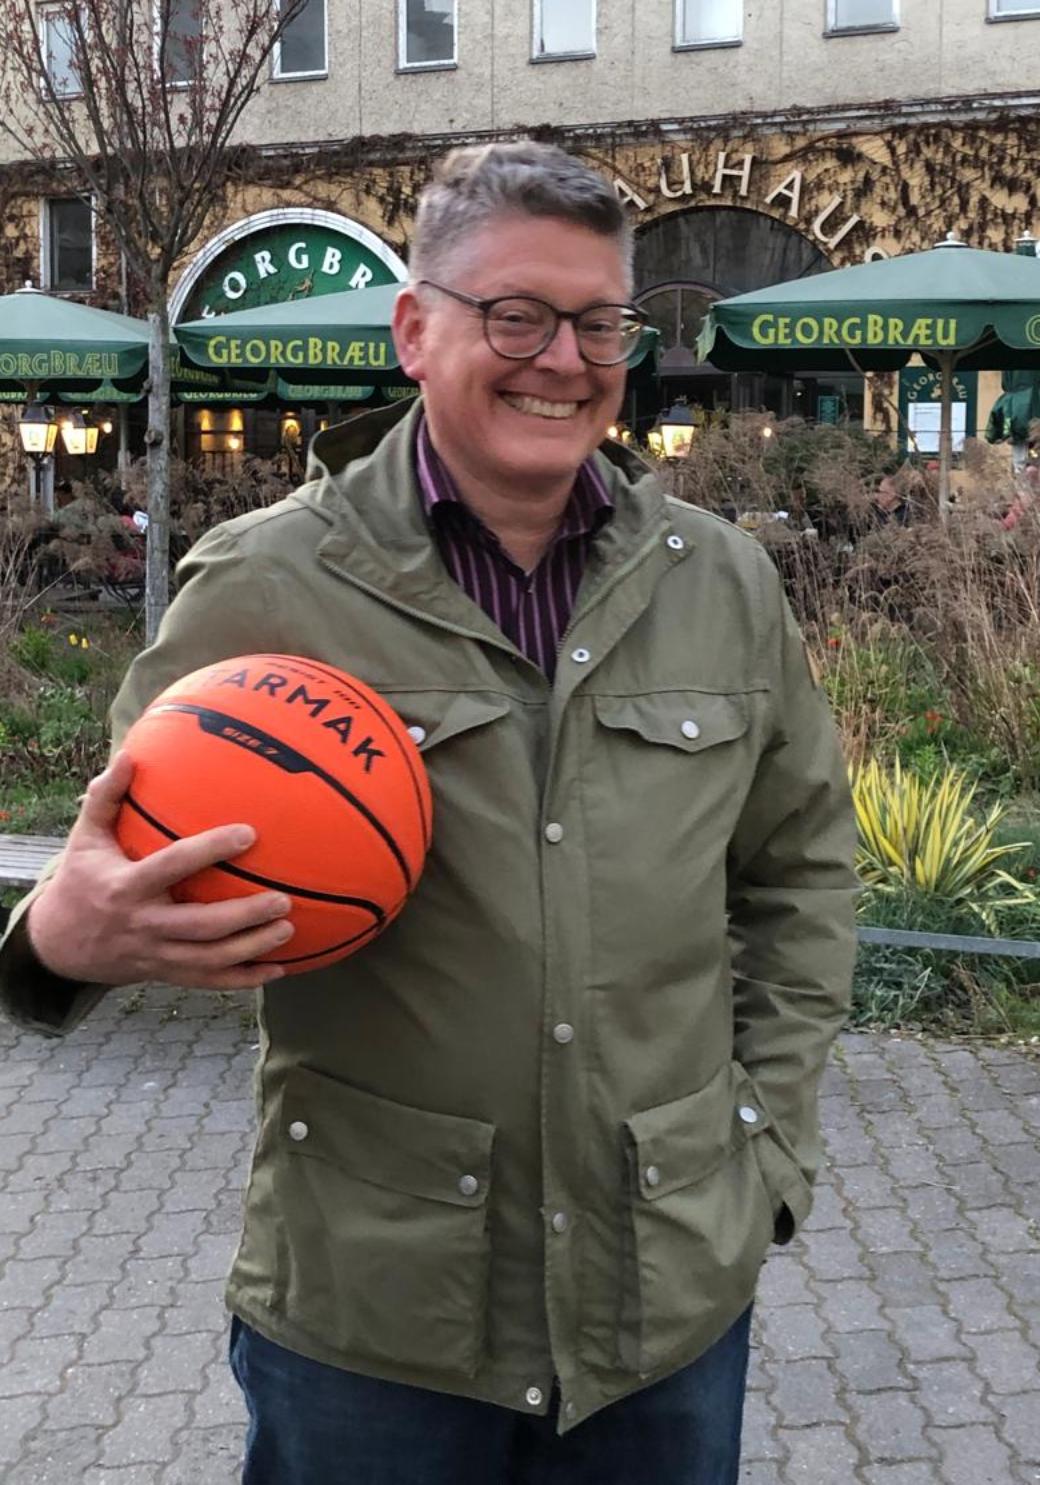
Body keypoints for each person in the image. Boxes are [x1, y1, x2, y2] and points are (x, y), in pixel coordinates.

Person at [0, 142, 858, 1485]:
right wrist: (57, 943)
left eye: (598, 323)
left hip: (667, 1304)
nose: (561, 358)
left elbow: (805, 875)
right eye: (513, 314)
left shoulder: (724, 584)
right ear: (415, 328)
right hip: (375, 1327)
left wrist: (770, 1151)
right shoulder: (268, 583)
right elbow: (121, 872)